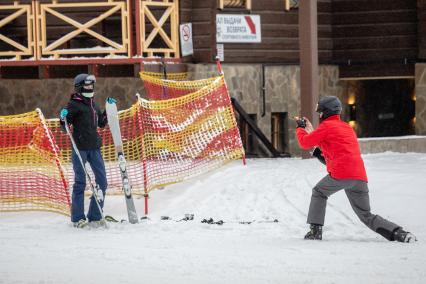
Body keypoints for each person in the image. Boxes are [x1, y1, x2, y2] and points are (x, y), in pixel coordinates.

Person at [295, 96, 416, 242]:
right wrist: (311, 131)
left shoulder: (326, 127)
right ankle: (399, 233)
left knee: (319, 192)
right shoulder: (346, 127)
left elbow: (304, 143)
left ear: (326, 112)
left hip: (341, 174)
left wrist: (301, 129)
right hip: (359, 177)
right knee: (366, 215)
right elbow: (332, 147)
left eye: (320, 112)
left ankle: (315, 232)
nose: (319, 115)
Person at [59, 73, 116, 228]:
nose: (90, 88)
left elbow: (101, 123)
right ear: (79, 87)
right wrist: (62, 118)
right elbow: (64, 127)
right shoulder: (73, 104)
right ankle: (77, 218)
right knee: (80, 182)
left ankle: (95, 215)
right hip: (80, 148)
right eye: (87, 85)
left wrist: (108, 110)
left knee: (102, 182)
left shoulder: (93, 104)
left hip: (94, 147)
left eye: (92, 85)